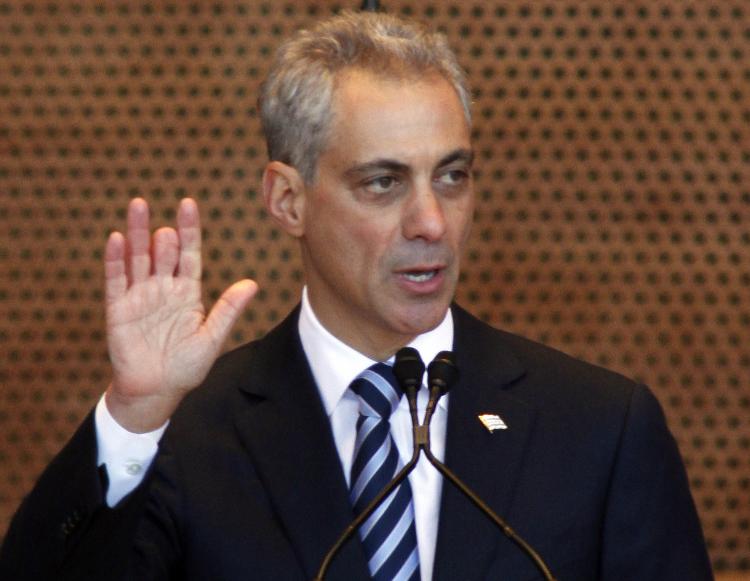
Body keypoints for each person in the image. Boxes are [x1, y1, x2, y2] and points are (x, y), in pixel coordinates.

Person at [0, 11, 712, 581]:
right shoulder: (187, 434)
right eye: (384, 182)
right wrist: (133, 420)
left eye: (453, 176)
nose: (432, 222)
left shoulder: (601, 429)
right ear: (287, 199)